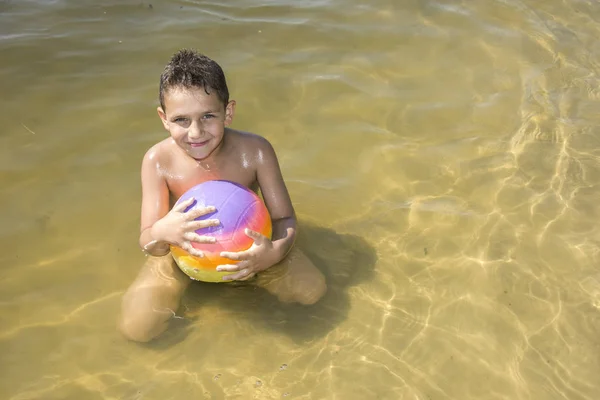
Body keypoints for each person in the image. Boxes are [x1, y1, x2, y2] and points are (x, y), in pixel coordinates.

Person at [118, 49, 327, 342]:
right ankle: (210, 304)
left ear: (227, 112)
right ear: (163, 119)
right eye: (181, 120)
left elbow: (284, 218)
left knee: (312, 292)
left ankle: (243, 291)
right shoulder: (157, 161)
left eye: (207, 116)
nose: (195, 132)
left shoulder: (255, 151)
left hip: (250, 248)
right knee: (137, 329)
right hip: (181, 253)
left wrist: (273, 253)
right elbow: (148, 242)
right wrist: (162, 232)